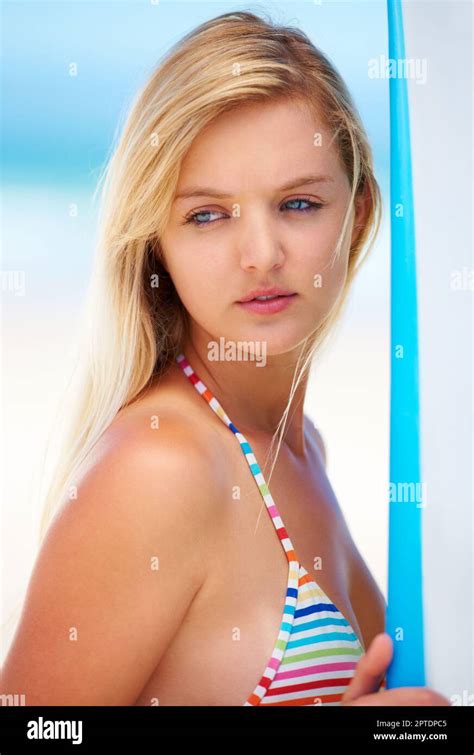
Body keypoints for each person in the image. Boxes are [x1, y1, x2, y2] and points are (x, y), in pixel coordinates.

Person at [1, 11, 449, 707]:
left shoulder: (301, 451)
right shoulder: (160, 467)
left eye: (299, 204)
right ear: (156, 242)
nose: (262, 254)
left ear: (358, 216)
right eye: (208, 214)